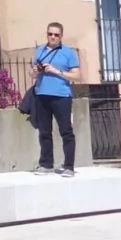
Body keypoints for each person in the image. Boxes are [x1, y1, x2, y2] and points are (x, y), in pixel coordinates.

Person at [31, 22, 81, 176]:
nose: (52, 37)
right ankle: (46, 164)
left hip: (61, 96)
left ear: (61, 36)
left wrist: (56, 71)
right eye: (50, 34)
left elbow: (77, 76)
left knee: (66, 131)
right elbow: (32, 74)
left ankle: (68, 166)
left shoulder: (69, 52)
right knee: (44, 132)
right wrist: (35, 72)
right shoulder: (40, 51)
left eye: (56, 35)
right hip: (42, 95)